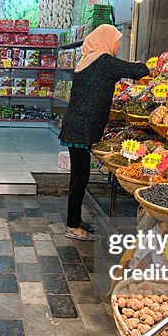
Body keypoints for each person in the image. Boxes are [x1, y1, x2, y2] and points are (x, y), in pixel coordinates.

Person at [58, 24, 149, 241]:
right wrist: (144, 65)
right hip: (83, 127)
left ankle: (76, 220)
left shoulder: (88, 61)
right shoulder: (103, 61)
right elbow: (138, 71)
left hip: (78, 125)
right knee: (80, 177)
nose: (118, 45)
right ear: (105, 40)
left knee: (79, 176)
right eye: (117, 41)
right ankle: (72, 226)